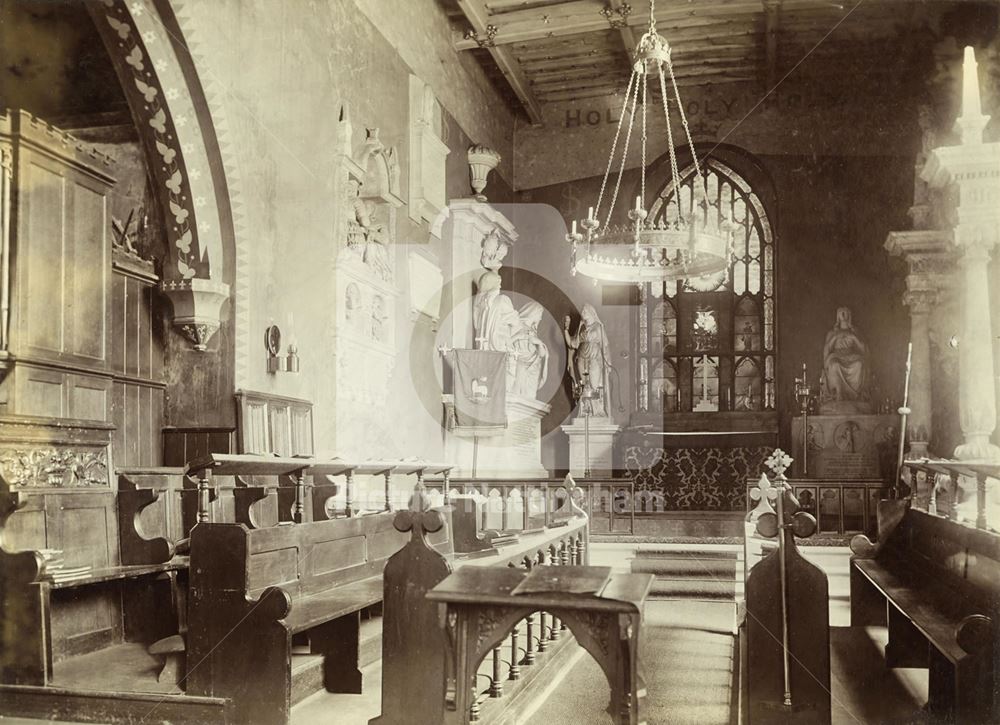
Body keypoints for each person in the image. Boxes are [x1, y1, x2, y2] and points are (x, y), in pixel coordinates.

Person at [564, 304, 612, 418]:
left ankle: (597, 411)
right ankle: (587, 411)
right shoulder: (581, 327)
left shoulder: (599, 327)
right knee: (584, 385)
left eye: (585, 310)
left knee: (594, 384)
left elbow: (605, 345)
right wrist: (566, 329)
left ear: (591, 312)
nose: (583, 312)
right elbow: (572, 343)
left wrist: (608, 362)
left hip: (595, 357)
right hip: (581, 358)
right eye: (583, 310)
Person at [820, 307, 871, 413]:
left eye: (846, 312)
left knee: (859, 364)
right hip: (836, 356)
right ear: (837, 316)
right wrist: (836, 336)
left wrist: (853, 337)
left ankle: (854, 395)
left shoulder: (855, 332)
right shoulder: (832, 333)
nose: (843, 314)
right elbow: (827, 348)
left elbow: (863, 349)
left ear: (849, 315)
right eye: (841, 312)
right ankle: (839, 393)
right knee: (834, 365)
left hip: (852, 356)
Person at [512, 301, 549, 397]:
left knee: (530, 397)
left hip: (533, 368)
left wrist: (539, 344)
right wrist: (522, 336)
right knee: (518, 395)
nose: (540, 318)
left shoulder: (533, 331)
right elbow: (508, 342)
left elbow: (541, 354)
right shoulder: (517, 325)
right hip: (519, 364)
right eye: (540, 315)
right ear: (534, 313)